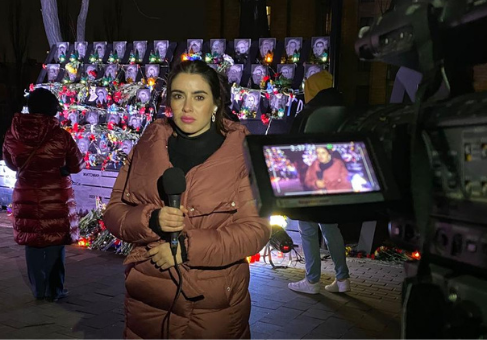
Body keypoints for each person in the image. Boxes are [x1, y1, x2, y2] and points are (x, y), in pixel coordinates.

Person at [103, 60, 270, 339]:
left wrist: (187, 249)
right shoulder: (147, 145)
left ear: (217, 102)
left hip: (211, 308)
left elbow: (255, 230)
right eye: (179, 96)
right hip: (148, 304)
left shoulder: (242, 154)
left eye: (199, 96)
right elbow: (114, 213)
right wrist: (150, 219)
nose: (187, 107)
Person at [2, 88, 84, 301]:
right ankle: (54, 290)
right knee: (55, 241)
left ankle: (38, 290)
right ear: (52, 108)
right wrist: (62, 168)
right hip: (55, 196)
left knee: (32, 242)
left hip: (26, 193)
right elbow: (77, 164)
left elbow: (11, 163)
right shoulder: (60, 135)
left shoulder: (14, 133)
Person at [288, 70, 351, 295]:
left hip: (311, 180)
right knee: (330, 226)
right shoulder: (343, 111)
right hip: (335, 178)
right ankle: (343, 278)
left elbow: (294, 146)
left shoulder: (309, 114)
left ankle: (312, 280)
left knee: (307, 227)